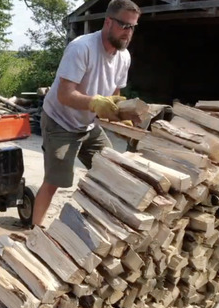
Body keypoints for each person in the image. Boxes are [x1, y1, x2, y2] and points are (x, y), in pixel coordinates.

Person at [32, 0, 141, 227]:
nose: (128, 32)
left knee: (111, 170)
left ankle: (99, 225)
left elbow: (114, 95)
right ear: (108, 22)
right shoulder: (82, 48)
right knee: (55, 180)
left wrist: (120, 117)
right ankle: (35, 230)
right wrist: (95, 103)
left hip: (89, 124)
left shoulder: (124, 57)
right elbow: (64, 95)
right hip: (60, 121)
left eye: (132, 27)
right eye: (124, 25)